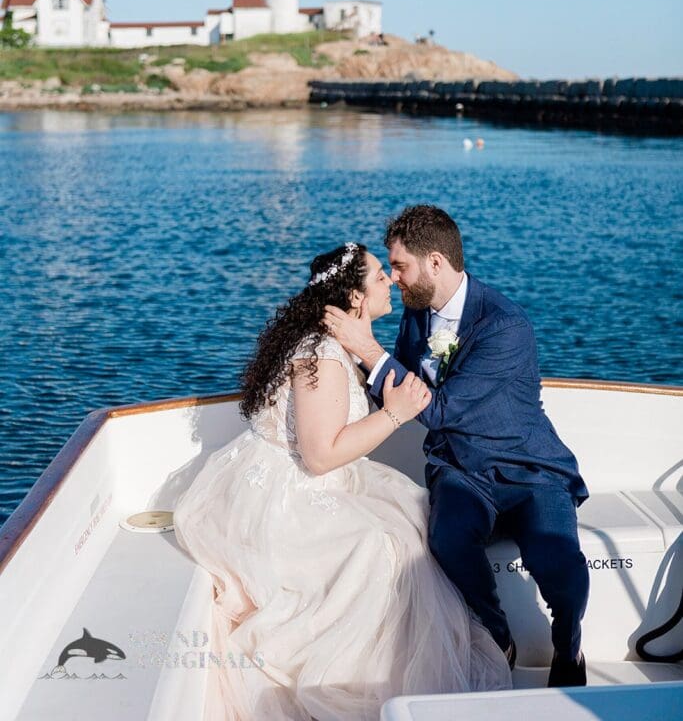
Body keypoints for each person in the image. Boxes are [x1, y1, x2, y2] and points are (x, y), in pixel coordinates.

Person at [173, 241, 511, 721]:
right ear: (355, 298)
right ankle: (356, 681)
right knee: (379, 546)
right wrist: (395, 414)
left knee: (413, 514)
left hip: (320, 480)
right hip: (285, 496)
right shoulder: (323, 356)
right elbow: (319, 455)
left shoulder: (337, 347)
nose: (391, 280)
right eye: (378, 276)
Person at [325, 206, 590, 688]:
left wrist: (367, 349)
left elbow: (439, 409)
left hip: (527, 468)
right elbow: (397, 381)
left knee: (562, 567)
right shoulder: (415, 314)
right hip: (460, 470)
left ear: (435, 263)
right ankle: (497, 637)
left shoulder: (504, 325)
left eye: (400, 267)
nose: (396, 279)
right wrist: (349, 365)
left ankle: (568, 646)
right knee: (447, 537)